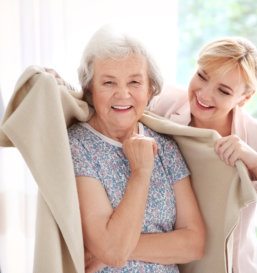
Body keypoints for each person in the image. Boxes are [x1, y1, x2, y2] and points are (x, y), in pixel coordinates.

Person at [147, 37, 257, 273]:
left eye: (223, 90)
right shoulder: (163, 102)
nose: (204, 95)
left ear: (245, 97)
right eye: (202, 76)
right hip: (170, 258)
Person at [67, 25, 206, 273]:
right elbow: (113, 252)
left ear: (150, 87)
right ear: (90, 88)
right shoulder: (77, 146)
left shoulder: (165, 146)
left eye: (134, 82)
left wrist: (112, 249)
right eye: (108, 82)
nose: (123, 94)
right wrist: (141, 171)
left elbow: (194, 244)